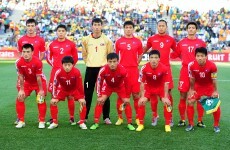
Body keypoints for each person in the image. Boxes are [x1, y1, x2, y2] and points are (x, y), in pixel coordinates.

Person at [170, 21, 206, 127]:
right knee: (183, 96)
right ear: (187, 29)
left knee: (199, 96)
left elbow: (204, 58)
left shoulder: (201, 43)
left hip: (198, 71)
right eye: (189, 27)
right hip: (185, 71)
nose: (191, 29)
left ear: (196, 30)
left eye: (193, 27)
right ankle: (182, 119)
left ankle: (200, 120)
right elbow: (174, 54)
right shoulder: (181, 43)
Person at [90, 53, 135, 131]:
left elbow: (128, 84)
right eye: (110, 62)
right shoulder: (103, 70)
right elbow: (98, 82)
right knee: (100, 101)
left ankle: (129, 123)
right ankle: (96, 123)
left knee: (126, 102)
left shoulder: (123, 70)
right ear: (107, 62)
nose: (112, 64)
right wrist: (99, 95)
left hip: (120, 87)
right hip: (108, 86)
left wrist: (127, 96)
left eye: (114, 62)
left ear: (118, 61)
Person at [143, 19, 176, 126]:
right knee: (153, 95)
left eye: (163, 26)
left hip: (166, 70)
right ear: (157, 27)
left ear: (166, 27)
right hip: (153, 70)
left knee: (168, 94)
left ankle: (170, 116)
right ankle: (155, 115)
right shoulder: (152, 39)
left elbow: (177, 51)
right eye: (159, 25)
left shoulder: (171, 39)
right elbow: (144, 49)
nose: (161, 27)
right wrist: (137, 57)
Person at [82, 18, 113, 124]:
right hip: (90, 69)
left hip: (103, 70)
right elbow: (84, 55)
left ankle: (106, 117)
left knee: (104, 94)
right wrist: (90, 63)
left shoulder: (107, 40)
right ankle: (85, 117)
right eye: (95, 24)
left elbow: (110, 55)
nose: (96, 27)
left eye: (98, 25)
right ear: (92, 26)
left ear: (101, 26)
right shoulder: (85, 40)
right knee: (87, 93)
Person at [15, 18, 46, 124]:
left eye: (33, 26)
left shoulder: (40, 40)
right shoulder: (21, 40)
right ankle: (20, 118)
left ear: (36, 27)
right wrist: (25, 63)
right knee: (20, 95)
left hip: (36, 71)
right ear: (26, 27)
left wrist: (36, 64)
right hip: (25, 73)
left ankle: (41, 120)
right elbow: (20, 53)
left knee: (40, 98)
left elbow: (42, 53)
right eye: (29, 26)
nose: (31, 28)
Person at [46, 24, 78, 125]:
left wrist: (69, 68)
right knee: (53, 94)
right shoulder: (51, 44)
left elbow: (75, 58)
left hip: (68, 73)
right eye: (59, 31)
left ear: (66, 32)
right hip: (55, 72)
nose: (61, 33)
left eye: (63, 31)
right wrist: (56, 66)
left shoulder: (71, 44)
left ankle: (72, 117)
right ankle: (53, 118)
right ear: (57, 32)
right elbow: (48, 58)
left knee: (70, 95)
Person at [115, 20, 143, 125]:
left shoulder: (138, 41)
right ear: (124, 29)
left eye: (130, 27)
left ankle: (137, 117)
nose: (128, 29)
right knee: (121, 96)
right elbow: (115, 56)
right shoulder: (118, 41)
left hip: (134, 71)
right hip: (122, 71)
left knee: (136, 95)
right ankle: (120, 117)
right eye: (126, 27)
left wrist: (136, 63)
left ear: (133, 29)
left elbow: (140, 54)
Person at [186, 47, 220, 133]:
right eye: (198, 56)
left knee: (215, 105)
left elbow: (214, 80)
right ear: (195, 56)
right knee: (190, 101)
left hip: (209, 87)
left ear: (206, 56)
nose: (200, 58)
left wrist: (215, 91)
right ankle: (191, 124)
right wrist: (192, 89)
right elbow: (192, 78)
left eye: (202, 56)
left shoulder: (212, 66)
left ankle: (216, 125)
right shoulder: (191, 65)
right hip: (198, 87)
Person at [47, 56, 87, 130]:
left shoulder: (77, 72)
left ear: (73, 65)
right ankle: (55, 122)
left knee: (83, 102)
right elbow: (55, 85)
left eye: (69, 65)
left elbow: (79, 86)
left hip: (74, 90)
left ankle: (82, 122)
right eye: (65, 65)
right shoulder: (58, 72)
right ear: (62, 65)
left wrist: (81, 97)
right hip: (62, 89)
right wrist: (54, 96)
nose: (67, 67)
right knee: (53, 102)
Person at [136, 50, 172, 132]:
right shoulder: (144, 68)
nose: (153, 60)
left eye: (156, 57)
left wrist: (166, 97)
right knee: (141, 102)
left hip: (161, 88)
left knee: (168, 103)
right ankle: (141, 124)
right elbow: (141, 82)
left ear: (159, 59)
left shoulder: (164, 68)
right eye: (151, 57)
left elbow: (166, 83)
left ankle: (167, 124)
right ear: (149, 59)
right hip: (149, 88)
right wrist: (142, 97)